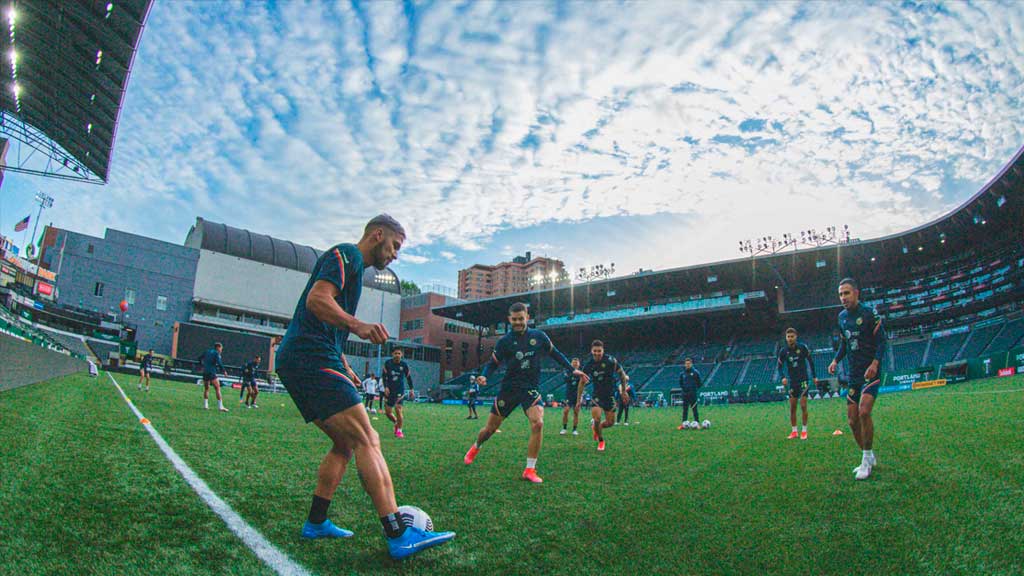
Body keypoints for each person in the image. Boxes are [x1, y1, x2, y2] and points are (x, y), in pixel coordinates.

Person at [274, 214, 454, 559]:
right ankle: (398, 534)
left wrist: (344, 365)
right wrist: (357, 325)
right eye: (395, 246)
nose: (396, 255)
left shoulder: (354, 271)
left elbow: (324, 322)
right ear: (378, 235)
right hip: (310, 358)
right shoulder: (347, 255)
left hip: (311, 358)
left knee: (343, 443)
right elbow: (317, 300)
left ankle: (316, 522)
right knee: (367, 438)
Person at [463, 302, 589, 482]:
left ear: (527, 318)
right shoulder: (504, 341)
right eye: (514, 319)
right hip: (508, 389)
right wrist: (484, 376)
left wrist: (572, 369)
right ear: (509, 319)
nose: (518, 322)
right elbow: (492, 363)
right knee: (490, 429)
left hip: (530, 389)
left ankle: (530, 469)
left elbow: (556, 354)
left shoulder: (539, 336)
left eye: (521, 319)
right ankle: (476, 446)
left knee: (538, 423)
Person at [829, 278, 887, 481]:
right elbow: (844, 344)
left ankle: (865, 461)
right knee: (852, 420)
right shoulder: (842, 317)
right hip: (854, 374)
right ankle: (868, 455)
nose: (843, 298)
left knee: (864, 412)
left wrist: (875, 364)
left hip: (870, 372)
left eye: (847, 293)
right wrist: (836, 360)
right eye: (840, 294)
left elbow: (881, 342)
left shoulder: (869, 314)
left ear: (856, 293)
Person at [582, 340, 629, 451]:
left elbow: (622, 374)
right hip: (597, 395)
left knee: (610, 423)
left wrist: (623, 391)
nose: (597, 353)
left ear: (603, 351)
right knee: (597, 418)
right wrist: (579, 398)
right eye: (595, 351)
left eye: (599, 351)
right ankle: (601, 441)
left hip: (610, 395)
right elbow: (581, 382)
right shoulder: (588, 365)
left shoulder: (610, 361)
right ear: (591, 351)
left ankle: (596, 427)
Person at [778, 329, 815, 439]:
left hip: (803, 380)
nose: (790, 338)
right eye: (788, 336)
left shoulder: (802, 348)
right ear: (786, 338)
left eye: (792, 336)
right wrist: (783, 377)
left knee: (803, 406)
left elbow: (811, 361)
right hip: (792, 382)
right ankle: (794, 431)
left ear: (796, 336)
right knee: (793, 407)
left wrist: (814, 376)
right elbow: (779, 367)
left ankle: (804, 431)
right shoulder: (783, 351)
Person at [382, 349, 414, 438]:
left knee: (398, 409)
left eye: (399, 353)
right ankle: (396, 422)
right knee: (388, 412)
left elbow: (408, 377)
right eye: (395, 353)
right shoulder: (387, 363)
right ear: (392, 354)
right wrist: (386, 387)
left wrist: (411, 389)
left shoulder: (404, 365)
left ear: (402, 355)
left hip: (400, 390)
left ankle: (399, 430)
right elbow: (384, 377)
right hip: (390, 390)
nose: (397, 355)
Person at [199, 343, 228, 412]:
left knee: (206, 388)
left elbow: (199, 358)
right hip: (212, 372)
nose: (221, 350)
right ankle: (220, 406)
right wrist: (224, 371)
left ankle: (206, 405)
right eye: (221, 349)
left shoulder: (207, 351)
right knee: (217, 388)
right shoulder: (216, 353)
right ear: (218, 347)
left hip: (205, 372)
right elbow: (219, 363)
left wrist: (202, 365)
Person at [560, 358, 584, 435]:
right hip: (569, 395)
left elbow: (584, 382)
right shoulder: (567, 371)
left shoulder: (581, 373)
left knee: (576, 412)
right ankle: (564, 428)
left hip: (577, 396)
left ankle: (574, 429)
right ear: (571, 364)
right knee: (566, 411)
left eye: (576, 363)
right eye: (573, 363)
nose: (575, 364)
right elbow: (566, 379)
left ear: (579, 364)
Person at [676, 358, 702, 430]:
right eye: (686, 364)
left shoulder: (695, 372)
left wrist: (693, 389)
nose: (687, 365)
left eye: (689, 364)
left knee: (694, 409)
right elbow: (681, 383)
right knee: (685, 410)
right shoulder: (682, 374)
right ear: (684, 364)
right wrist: (685, 389)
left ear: (691, 364)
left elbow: (699, 383)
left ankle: (697, 423)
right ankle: (683, 424)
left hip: (693, 394)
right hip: (685, 394)